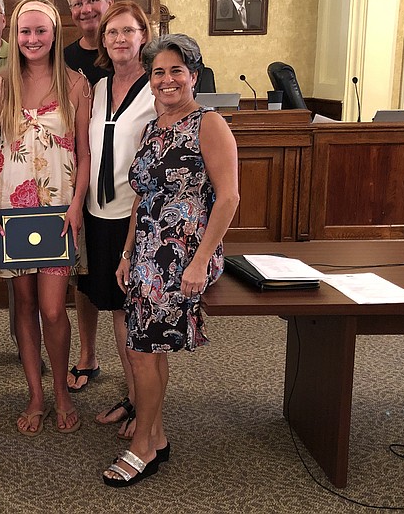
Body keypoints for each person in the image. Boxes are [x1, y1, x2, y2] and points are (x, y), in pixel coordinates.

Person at [103, 34, 239, 487]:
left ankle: (143, 444)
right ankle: (155, 437)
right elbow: (144, 199)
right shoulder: (153, 130)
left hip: (181, 255)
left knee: (142, 350)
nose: (166, 80)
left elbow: (228, 198)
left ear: (194, 76)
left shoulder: (208, 123)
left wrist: (200, 261)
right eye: (158, 72)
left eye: (176, 70)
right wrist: (126, 253)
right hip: (145, 251)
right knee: (145, 347)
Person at [0, 0, 91, 436]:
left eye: (40, 31)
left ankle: (61, 390)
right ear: (14, 34)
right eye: (24, 31)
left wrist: (78, 203)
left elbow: (83, 152)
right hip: (11, 211)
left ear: (54, 33)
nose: (31, 39)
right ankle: (36, 395)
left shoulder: (76, 85)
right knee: (23, 305)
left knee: (52, 307)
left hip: (60, 211)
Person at [76, 2, 156, 442]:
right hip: (97, 213)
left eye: (128, 31)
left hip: (135, 216)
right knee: (115, 310)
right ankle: (132, 396)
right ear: (102, 40)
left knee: (133, 315)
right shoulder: (99, 85)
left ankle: (146, 407)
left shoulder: (156, 87)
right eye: (112, 33)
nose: (120, 39)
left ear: (143, 35)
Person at [63, 0, 115, 394]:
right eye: (78, 2)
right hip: (79, 177)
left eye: (93, 0)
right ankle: (87, 354)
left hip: (122, 181)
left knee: (122, 273)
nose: (86, 8)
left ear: (109, 2)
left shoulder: (136, 53)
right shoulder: (66, 58)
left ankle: (137, 368)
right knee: (82, 272)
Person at [63, 0, 114, 86]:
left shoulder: (126, 53)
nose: (86, 10)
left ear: (110, 4)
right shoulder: (64, 60)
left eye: (92, 0)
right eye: (78, 4)